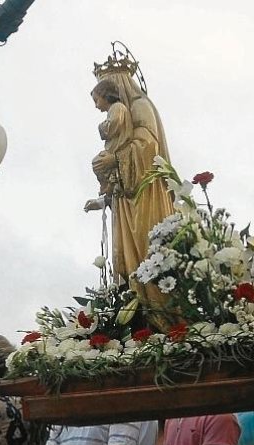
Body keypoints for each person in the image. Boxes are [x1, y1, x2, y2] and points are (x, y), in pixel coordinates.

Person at [87, 59, 174, 316]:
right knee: (128, 263)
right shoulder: (121, 111)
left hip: (146, 192)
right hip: (124, 195)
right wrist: (104, 199)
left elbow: (148, 145)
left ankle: (159, 312)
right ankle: (135, 312)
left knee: (148, 254)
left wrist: (115, 159)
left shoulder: (140, 106)